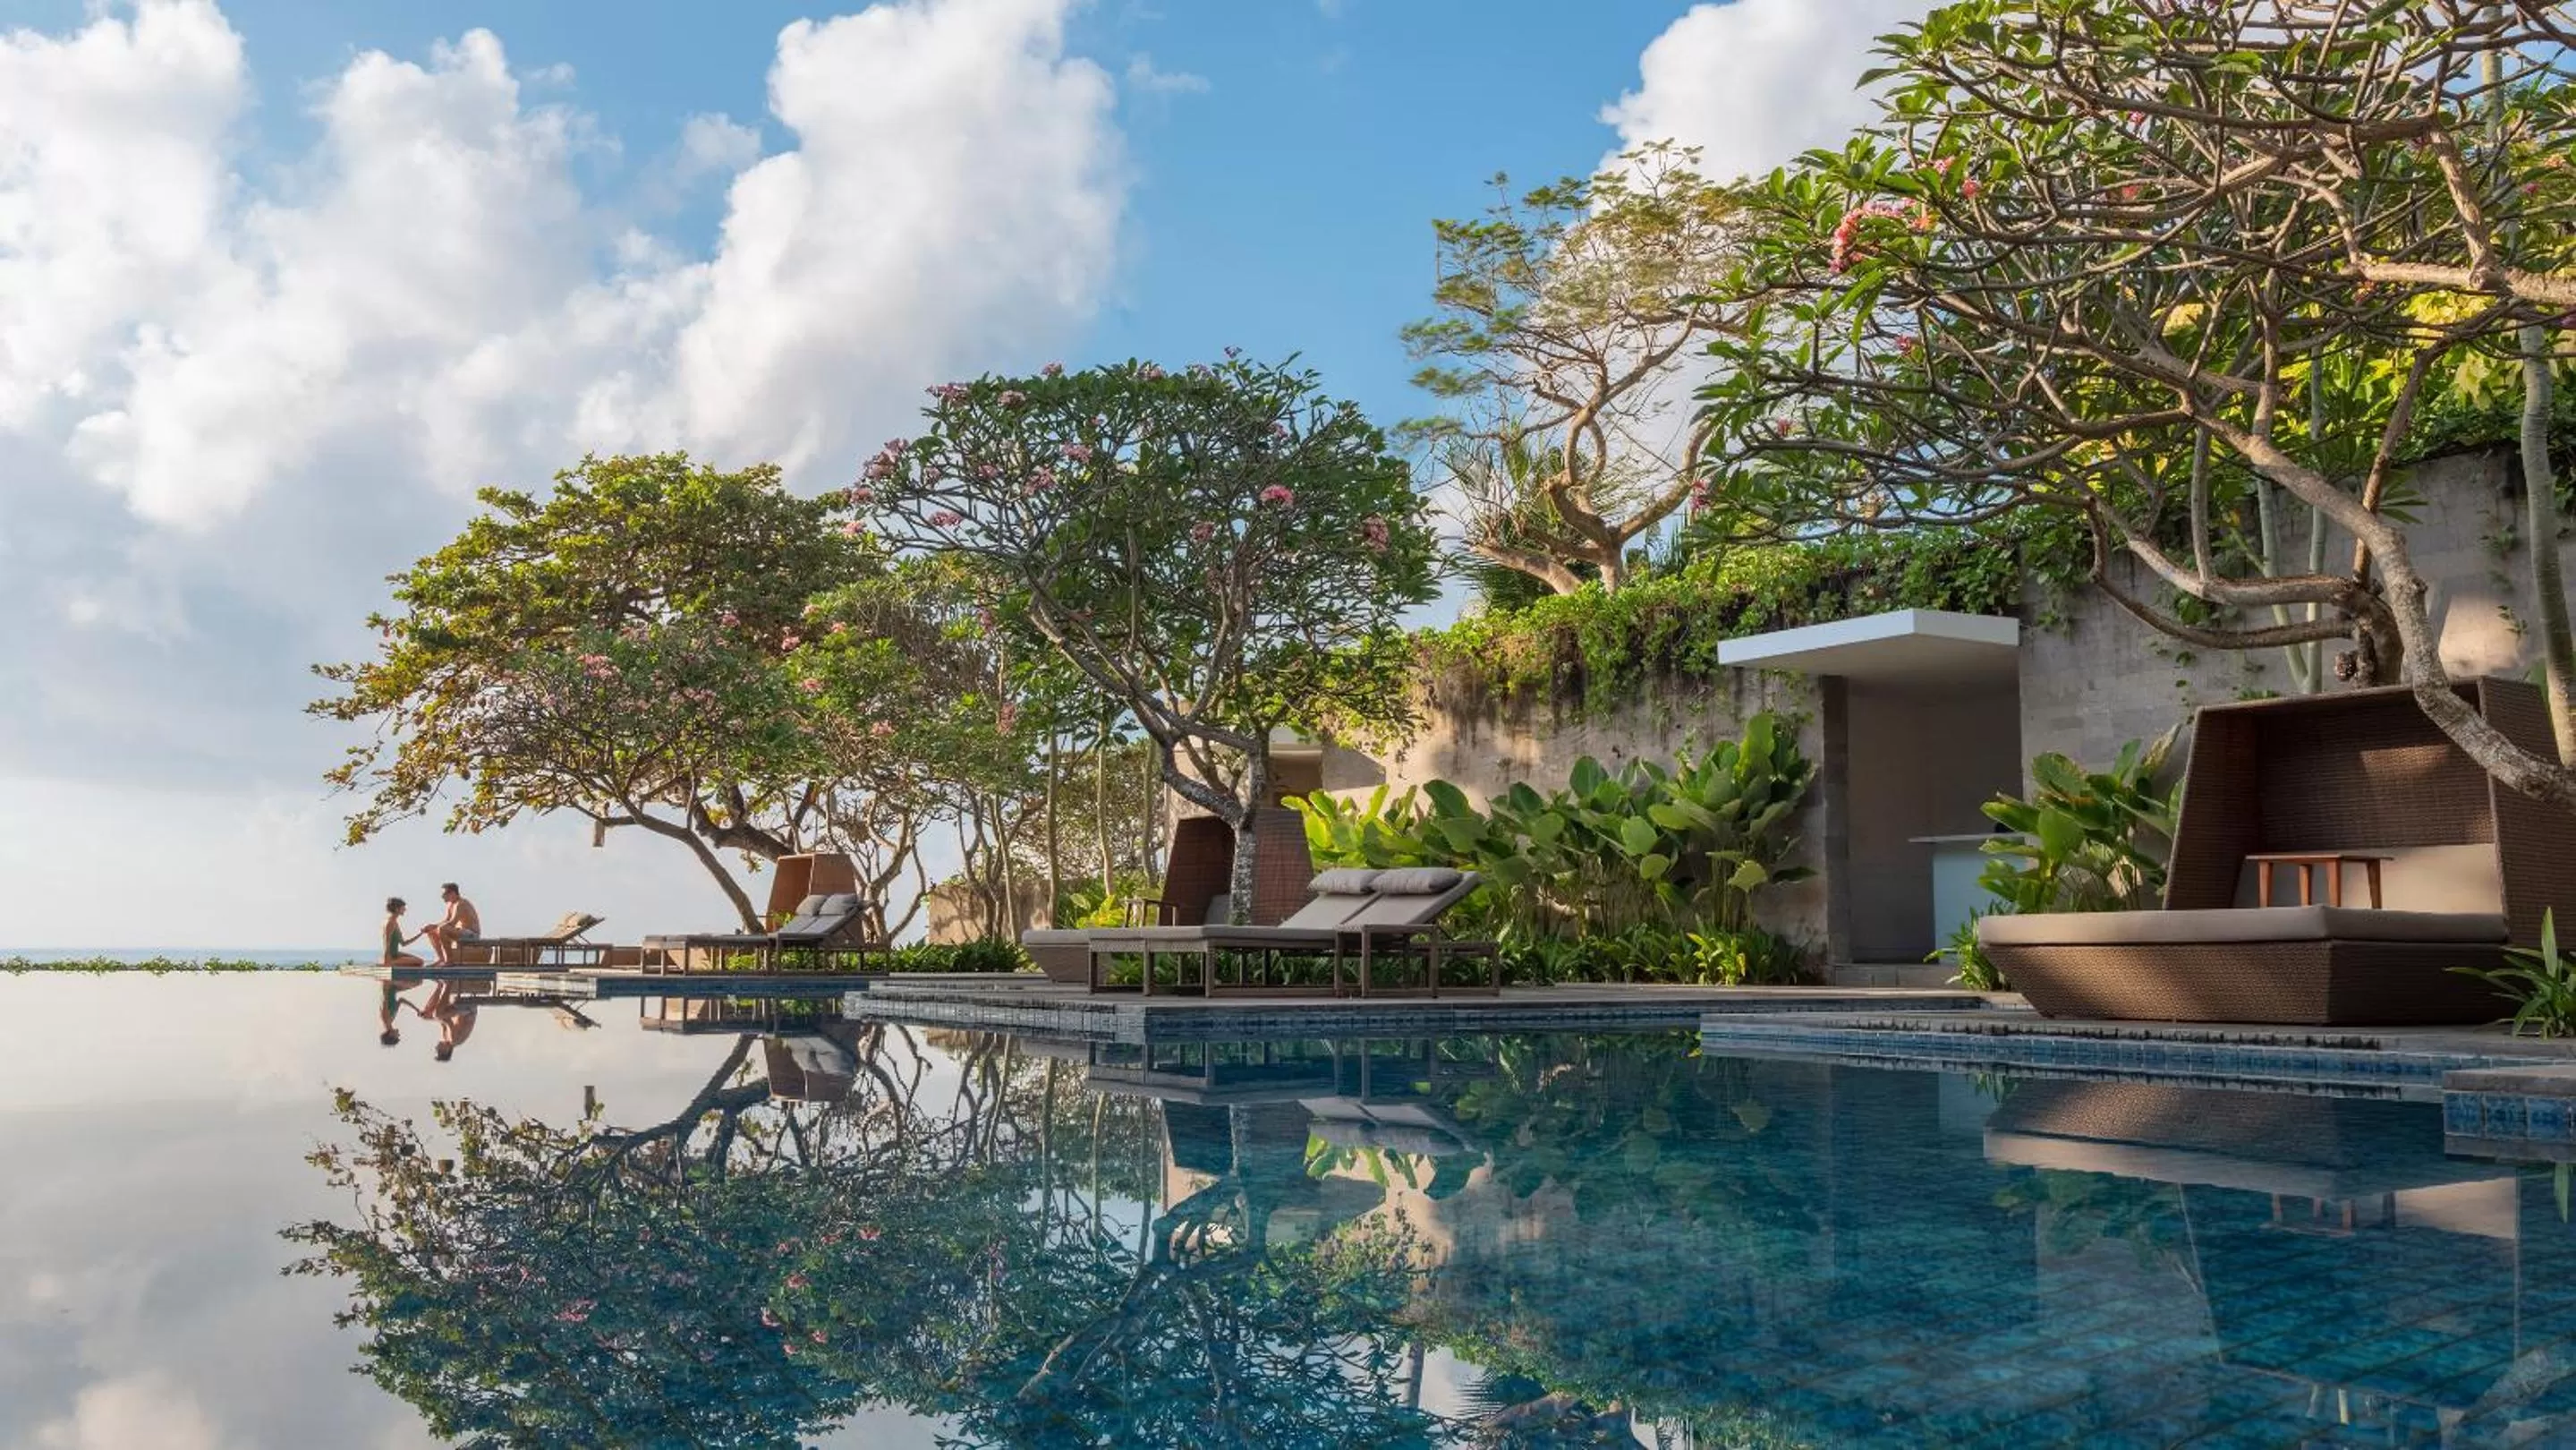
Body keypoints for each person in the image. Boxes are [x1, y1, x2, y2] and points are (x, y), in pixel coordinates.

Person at [378, 897, 424, 1046]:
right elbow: (387, 944)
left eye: (397, 1036)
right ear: (397, 909)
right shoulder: (390, 923)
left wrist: (421, 934)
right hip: (391, 959)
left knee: (419, 966)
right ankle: (394, 965)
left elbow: (403, 943)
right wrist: (388, 963)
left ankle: (396, 966)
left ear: (391, 1034)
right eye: (403, 907)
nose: (405, 909)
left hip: (394, 960)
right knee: (419, 971)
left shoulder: (388, 1021)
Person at [420, 882, 482, 966]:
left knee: (442, 929)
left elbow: (452, 923)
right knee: (432, 932)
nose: (442, 896)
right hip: (460, 932)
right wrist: (432, 926)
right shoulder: (451, 905)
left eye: (445, 894)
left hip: (472, 934)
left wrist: (436, 927)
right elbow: (447, 920)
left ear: (452, 893)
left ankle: (449, 961)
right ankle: (442, 959)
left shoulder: (462, 904)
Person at [418, 980, 479, 1062]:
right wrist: (434, 1017)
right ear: (446, 1051)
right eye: (438, 1050)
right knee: (437, 1014)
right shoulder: (454, 1040)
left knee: (429, 1014)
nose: (436, 1048)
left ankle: (440, 986)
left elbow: (443, 1023)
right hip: (469, 1011)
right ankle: (448, 983)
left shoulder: (446, 1038)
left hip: (459, 1012)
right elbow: (448, 1021)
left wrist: (427, 1016)